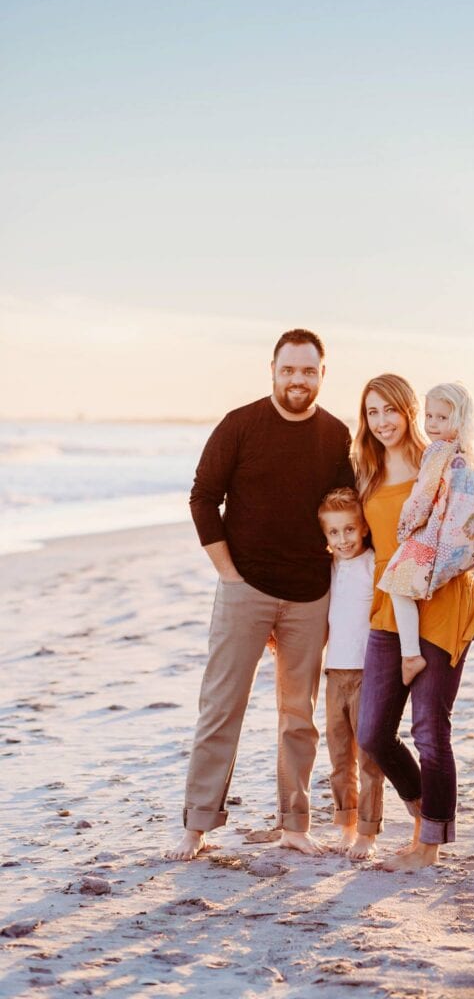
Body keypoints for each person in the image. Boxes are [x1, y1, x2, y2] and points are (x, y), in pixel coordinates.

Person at [166, 329, 355, 861]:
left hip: (310, 597)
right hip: (242, 589)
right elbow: (203, 498)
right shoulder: (240, 424)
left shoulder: (336, 435)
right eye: (289, 369)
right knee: (220, 708)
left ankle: (295, 824)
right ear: (272, 369)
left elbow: (350, 509)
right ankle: (197, 825)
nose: (298, 380)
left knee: (299, 716)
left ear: (323, 374)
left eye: (309, 371)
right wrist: (228, 576)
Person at [353, 373, 474, 872]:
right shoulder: (364, 468)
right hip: (391, 603)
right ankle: (420, 811)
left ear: (410, 411)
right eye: (371, 412)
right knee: (373, 734)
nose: (382, 421)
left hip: (442, 602)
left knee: (430, 729)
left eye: (390, 410)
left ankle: (428, 848)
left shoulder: (445, 461)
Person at [378, 381, 474, 686]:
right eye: (429, 416)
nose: (433, 424)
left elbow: (423, 495)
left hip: (439, 533)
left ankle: (411, 655)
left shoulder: (437, 451)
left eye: (442, 417)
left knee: (398, 585)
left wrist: (406, 525)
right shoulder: (468, 452)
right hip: (464, 535)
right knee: (473, 578)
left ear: (460, 420)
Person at [317, 487, 384, 861]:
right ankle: (345, 820)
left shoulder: (374, 563)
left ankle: (368, 832)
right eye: (334, 532)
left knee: (369, 757)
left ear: (363, 529)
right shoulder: (328, 568)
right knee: (339, 754)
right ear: (325, 536)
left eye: (349, 530)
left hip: (368, 672)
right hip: (333, 674)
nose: (343, 539)